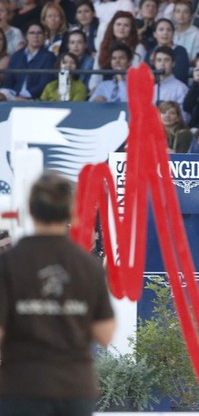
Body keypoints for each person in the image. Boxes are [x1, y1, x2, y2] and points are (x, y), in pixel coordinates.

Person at [0, 172, 116, 416]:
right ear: (71, 214)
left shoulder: (8, 264)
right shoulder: (88, 265)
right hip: (74, 387)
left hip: (21, 386)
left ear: (30, 211)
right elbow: (105, 334)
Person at [0, 23, 57, 101]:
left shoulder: (49, 56)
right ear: (26, 36)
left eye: (39, 33)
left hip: (36, 100)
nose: (35, 36)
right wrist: (12, 96)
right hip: (14, 98)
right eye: (32, 33)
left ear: (44, 36)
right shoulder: (16, 56)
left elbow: (45, 83)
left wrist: (24, 95)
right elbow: (8, 82)